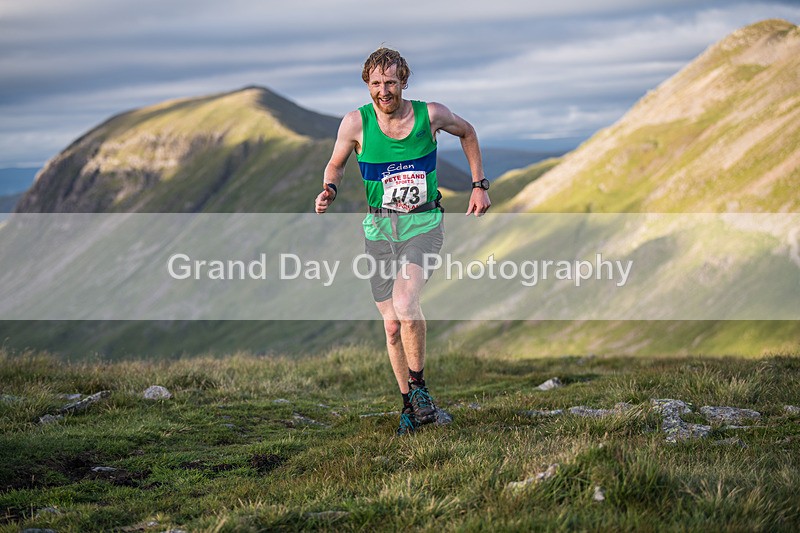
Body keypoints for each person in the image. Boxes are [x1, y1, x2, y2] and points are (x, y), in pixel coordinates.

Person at [315, 47, 491, 435]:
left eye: (390, 82)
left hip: (423, 224)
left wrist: (479, 185)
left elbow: (469, 132)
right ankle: (409, 405)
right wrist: (329, 187)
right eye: (376, 84)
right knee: (392, 325)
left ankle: (419, 387)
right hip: (379, 231)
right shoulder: (355, 123)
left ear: (404, 82)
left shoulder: (431, 115)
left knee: (406, 301)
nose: (383, 91)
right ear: (368, 84)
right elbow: (336, 163)